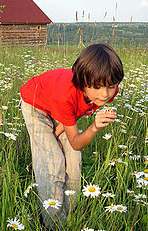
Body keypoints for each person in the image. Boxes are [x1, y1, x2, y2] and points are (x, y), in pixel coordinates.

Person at [20, 44, 124, 228]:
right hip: (36, 104)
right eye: (98, 87)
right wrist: (93, 128)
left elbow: (73, 112)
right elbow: (76, 141)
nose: (105, 94)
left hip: (60, 109)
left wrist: (58, 132)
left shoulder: (108, 90)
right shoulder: (65, 95)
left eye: (111, 86)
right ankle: (53, 223)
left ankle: (68, 218)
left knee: (73, 162)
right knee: (52, 163)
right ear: (83, 82)